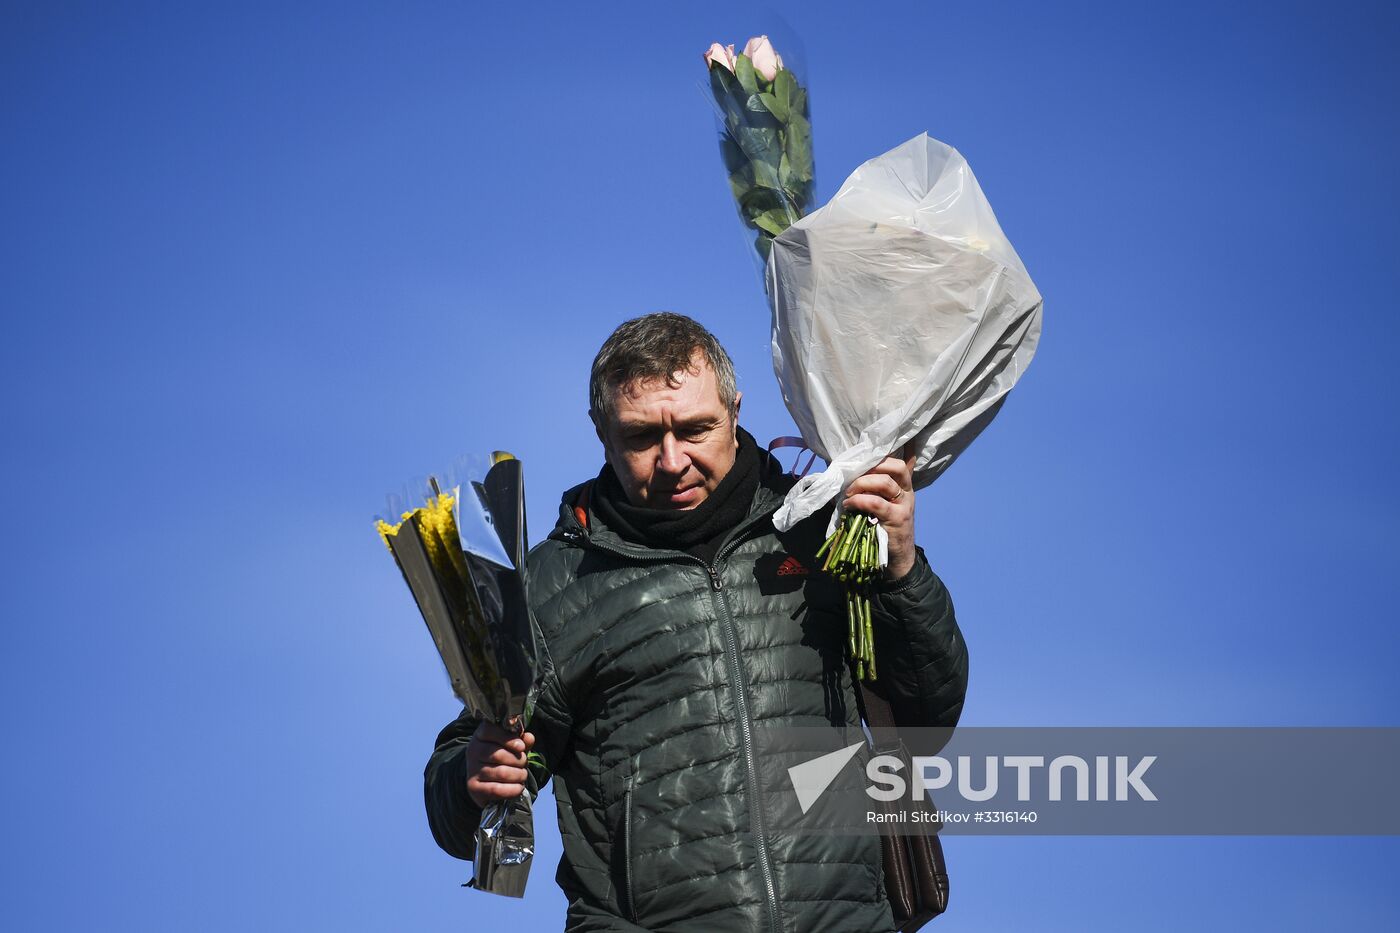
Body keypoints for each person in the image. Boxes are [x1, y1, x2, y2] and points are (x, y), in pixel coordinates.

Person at [424, 312, 968, 932]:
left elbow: (930, 712)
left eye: (695, 428)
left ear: (735, 410)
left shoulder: (824, 529)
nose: (672, 459)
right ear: (600, 432)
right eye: (640, 437)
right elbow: (460, 797)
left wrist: (901, 570)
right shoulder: (551, 586)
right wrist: (474, 777)